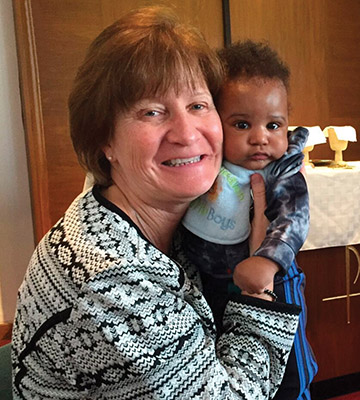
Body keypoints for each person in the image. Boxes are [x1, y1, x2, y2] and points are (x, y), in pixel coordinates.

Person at [12, 8, 301, 399]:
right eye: (152, 111)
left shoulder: (175, 220)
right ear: (105, 140)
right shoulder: (109, 286)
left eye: (198, 105)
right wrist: (257, 293)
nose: (187, 133)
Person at [182, 40, 318, 399]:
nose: (260, 138)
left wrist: (268, 260)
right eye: (242, 124)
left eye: (274, 125)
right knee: (227, 357)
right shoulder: (205, 163)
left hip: (274, 280)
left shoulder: (281, 172)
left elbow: (294, 218)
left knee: (288, 365)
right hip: (210, 282)